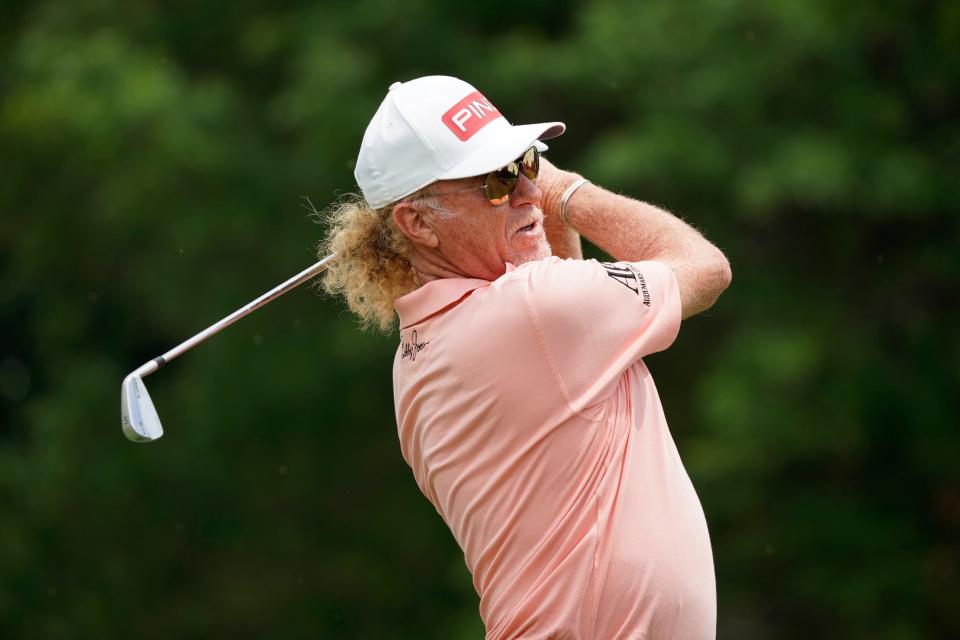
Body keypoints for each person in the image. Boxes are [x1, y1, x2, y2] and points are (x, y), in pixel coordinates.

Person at [320, 76, 732, 640]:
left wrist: (535, 205)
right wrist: (567, 190)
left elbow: (562, 302)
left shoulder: (421, 352)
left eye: (525, 168)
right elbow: (706, 268)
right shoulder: (530, 311)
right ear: (417, 223)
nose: (526, 194)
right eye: (495, 181)